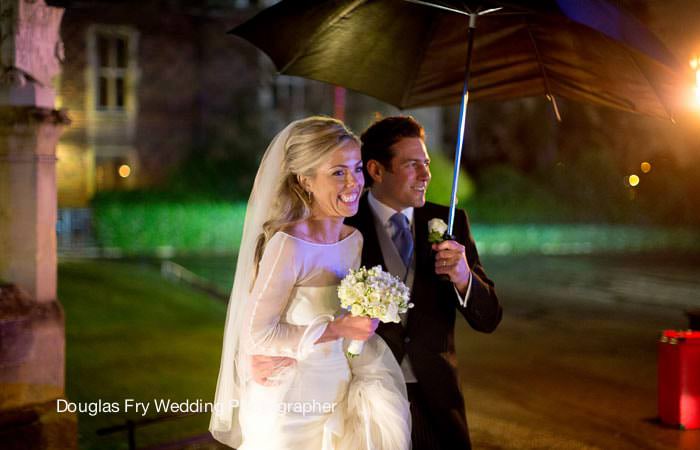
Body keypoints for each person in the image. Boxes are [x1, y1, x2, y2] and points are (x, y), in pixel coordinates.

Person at [209, 116, 410, 450]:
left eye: (357, 169)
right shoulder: (289, 245)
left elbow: (348, 321)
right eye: (338, 172)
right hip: (291, 404)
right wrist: (339, 328)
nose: (353, 183)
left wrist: (364, 322)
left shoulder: (354, 240)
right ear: (305, 180)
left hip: (339, 389)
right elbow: (258, 333)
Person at [344, 115, 503, 449]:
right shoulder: (345, 224)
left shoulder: (451, 221)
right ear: (376, 170)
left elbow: (489, 318)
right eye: (412, 164)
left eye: (426, 163)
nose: (426, 175)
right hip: (366, 399)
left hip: (437, 400)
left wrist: (463, 277)